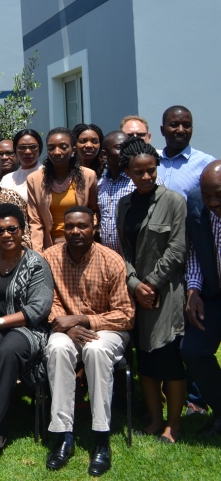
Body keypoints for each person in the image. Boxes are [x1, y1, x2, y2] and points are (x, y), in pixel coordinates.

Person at [42, 206, 134, 476]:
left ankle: (101, 438)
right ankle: (62, 436)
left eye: (82, 226)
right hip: (65, 328)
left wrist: (83, 320)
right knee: (57, 347)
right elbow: (48, 303)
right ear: (63, 229)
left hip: (106, 329)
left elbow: (125, 315)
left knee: (95, 350)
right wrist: (66, 325)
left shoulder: (112, 260)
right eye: (69, 226)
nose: (75, 231)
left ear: (94, 228)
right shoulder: (49, 258)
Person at [116, 137, 188, 442]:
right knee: (144, 354)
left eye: (151, 170)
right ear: (129, 173)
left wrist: (152, 284)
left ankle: (174, 423)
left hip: (166, 290)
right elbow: (124, 251)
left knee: (168, 356)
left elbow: (177, 248)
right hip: (136, 293)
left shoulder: (173, 201)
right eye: (139, 172)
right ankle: (154, 419)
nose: (146, 177)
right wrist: (134, 284)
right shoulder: (125, 204)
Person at [0, 203, 53, 458]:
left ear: (22, 230)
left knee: (8, 352)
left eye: (12, 229)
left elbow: (38, 309)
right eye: (0, 230)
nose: (6, 235)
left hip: (27, 329)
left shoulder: (36, 263)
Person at [183, 160, 221, 435]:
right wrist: (193, 289)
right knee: (193, 350)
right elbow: (195, 251)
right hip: (212, 293)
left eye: (219, 195)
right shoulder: (197, 205)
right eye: (207, 195)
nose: (213, 201)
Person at [26, 127, 98, 253]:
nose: (57, 152)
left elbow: (94, 211)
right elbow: (35, 221)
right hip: (50, 246)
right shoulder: (35, 179)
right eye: (51, 148)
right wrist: (37, 253)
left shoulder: (88, 176)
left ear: (73, 150)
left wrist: (87, 236)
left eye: (63, 147)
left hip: (81, 244)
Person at [158, 105, 213, 200]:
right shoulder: (151, 163)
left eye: (186, 125)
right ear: (162, 130)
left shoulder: (207, 164)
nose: (181, 130)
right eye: (174, 125)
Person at [97, 131, 133, 252]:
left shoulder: (139, 181)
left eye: (128, 147)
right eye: (119, 148)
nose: (125, 152)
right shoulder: (101, 184)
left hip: (133, 259)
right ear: (104, 154)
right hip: (109, 259)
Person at [0, 129, 44, 200]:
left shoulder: (47, 175)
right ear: (15, 150)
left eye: (33, 147)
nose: (27, 152)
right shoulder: (7, 178)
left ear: (40, 149)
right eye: (22, 147)